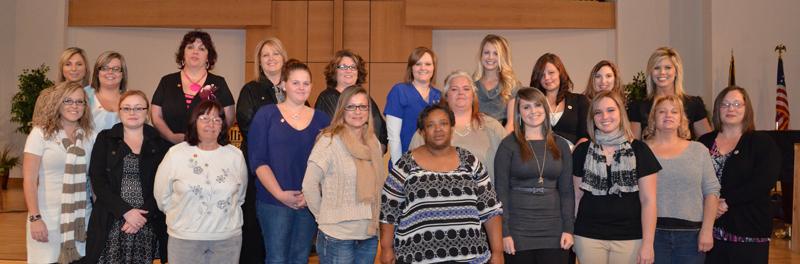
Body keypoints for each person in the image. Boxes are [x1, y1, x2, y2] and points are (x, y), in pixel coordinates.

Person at [379, 104, 504, 264]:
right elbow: (389, 210)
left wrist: (498, 252)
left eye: (443, 123)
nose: (438, 129)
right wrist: (387, 248)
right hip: (417, 257)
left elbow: (491, 209)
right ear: (422, 132)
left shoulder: (470, 162)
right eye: (431, 125)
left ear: (451, 128)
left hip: (471, 258)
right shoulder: (405, 165)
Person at [248, 59, 332, 264]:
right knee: (276, 258)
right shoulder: (266, 115)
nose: (301, 88)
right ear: (284, 84)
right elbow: (258, 160)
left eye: (306, 83)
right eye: (296, 82)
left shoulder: (322, 120)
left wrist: (311, 195)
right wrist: (279, 195)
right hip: (273, 202)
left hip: (308, 202)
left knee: (300, 257)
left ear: (312, 86)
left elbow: (329, 164)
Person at [154, 100, 247, 263]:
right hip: (184, 239)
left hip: (226, 240)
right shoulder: (175, 154)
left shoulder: (235, 156)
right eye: (204, 118)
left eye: (217, 119)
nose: (211, 124)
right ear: (194, 122)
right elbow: (162, 196)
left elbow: (240, 197)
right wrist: (182, 218)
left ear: (222, 126)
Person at [572, 91, 660, 264]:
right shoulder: (582, 151)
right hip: (588, 236)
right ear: (592, 118)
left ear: (621, 113)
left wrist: (648, 244)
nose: (605, 116)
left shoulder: (640, 150)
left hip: (630, 238)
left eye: (611, 110)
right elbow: (576, 196)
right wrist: (573, 231)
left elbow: (649, 201)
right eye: (598, 112)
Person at [302, 86, 387, 264]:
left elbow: (379, 186)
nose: (358, 112)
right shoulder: (329, 141)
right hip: (336, 236)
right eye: (351, 106)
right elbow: (309, 186)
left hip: (369, 235)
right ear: (342, 110)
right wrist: (324, 217)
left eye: (363, 107)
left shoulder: (375, 144)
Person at [85, 90, 170, 264]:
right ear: (119, 111)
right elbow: (98, 180)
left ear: (147, 112)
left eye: (138, 108)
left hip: (146, 221)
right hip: (112, 218)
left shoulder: (160, 143)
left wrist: (141, 216)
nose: (132, 113)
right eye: (127, 108)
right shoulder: (105, 139)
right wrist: (125, 211)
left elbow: (164, 186)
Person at [698, 86, 780, 264]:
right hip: (710, 232)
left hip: (749, 231)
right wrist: (708, 204)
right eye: (725, 104)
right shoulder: (704, 142)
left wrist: (726, 202)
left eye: (737, 104)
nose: (731, 109)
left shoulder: (762, 142)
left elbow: (763, 181)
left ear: (747, 109)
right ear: (717, 109)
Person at [494, 87, 574, 263]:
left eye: (537, 105)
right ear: (518, 113)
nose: (533, 112)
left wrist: (568, 228)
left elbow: (567, 191)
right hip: (518, 232)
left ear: (545, 108)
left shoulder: (561, 145)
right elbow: (501, 192)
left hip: (554, 232)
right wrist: (504, 233)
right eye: (526, 107)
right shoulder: (508, 145)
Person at [642, 95, 719, 264]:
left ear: (681, 119)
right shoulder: (641, 150)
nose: (668, 115)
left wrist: (707, 229)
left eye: (674, 111)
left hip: (691, 237)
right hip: (652, 235)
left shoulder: (699, 150)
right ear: (653, 118)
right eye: (662, 111)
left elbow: (712, 192)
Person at [23, 81, 94, 263]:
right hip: (48, 218)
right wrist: (35, 218)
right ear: (58, 103)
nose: (74, 106)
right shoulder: (40, 134)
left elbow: (93, 179)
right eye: (68, 101)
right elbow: (29, 180)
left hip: (80, 219)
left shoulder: (89, 136)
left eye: (79, 102)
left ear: (85, 106)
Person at [235, 37, 288, 264]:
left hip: (289, 171)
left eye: (275, 53)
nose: (271, 59)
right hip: (258, 168)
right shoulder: (251, 90)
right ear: (259, 61)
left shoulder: (295, 88)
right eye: (265, 55)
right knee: (255, 229)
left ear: (284, 58)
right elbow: (248, 127)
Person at [409, 71, 506, 182]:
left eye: (466, 89)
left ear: (473, 95)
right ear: (446, 95)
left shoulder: (492, 127)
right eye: (454, 89)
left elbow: (512, 163)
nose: (461, 93)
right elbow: (411, 168)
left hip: (484, 197)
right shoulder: (429, 128)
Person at [152, 30, 235, 144]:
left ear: (208, 57)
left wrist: (207, 139)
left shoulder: (218, 83)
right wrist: (171, 137)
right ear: (183, 53)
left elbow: (228, 119)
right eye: (190, 47)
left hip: (207, 149)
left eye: (201, 49)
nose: (195, 52)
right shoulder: (167, 81)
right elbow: (156, 116)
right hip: (169, 148)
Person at [628, 47, 711, 139]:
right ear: (650, 72)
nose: (662, 72)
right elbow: (633, 146)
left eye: (668, 68)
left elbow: (708, 142)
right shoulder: (638, 107)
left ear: (676, 72)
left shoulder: (694, 104)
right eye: (656, 68)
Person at [315, 49, 388, 152]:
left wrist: (376, 151)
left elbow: (381, 130)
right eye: (343, 67)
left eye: (353, 67)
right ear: (335, 71)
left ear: (358, 72)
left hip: (367, 158)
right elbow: (333, 131)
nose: (348, 70)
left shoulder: (366, 98)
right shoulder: (326, 98)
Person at [385, 47, 442, 165]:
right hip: (405, 163)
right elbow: (393, 137)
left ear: (434, 68)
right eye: (418, 64)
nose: (423, 68)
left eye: (428, 64)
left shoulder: (439, 97)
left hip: (433, 165)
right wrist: (399, 168)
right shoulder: (399, 91)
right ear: (411, 68)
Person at [530, 53, 590, 145]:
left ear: (560, 73)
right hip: (541, 156)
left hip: (574, 156)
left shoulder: (579, 101)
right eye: (542, 75)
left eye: (551, 73)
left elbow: (585, 136)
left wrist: (573, 154)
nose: (547, 78)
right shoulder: (531, 104)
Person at [32, 47, 92, 128]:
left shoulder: (93, 95)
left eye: (79, 64)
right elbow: (37, 126)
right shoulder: (47, 96)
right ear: (62, 68)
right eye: (68, 64)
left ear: (86, 69)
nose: (74, 69)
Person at [472, 34, 521, 130]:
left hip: (501, 139)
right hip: (475, 138)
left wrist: (501, 144)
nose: (490, 57)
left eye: (496, 53)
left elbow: (511, 124)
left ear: (503, 57)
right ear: (481, 55)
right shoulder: (471, 84)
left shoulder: (512, 85)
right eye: (486, 52)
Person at [85, 51, 128, 131]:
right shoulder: (84, 95)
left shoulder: (131, 99)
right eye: (105, 68)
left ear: (123, 74)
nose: (110, 72)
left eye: (116, 69)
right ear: (97, 73)